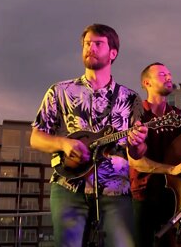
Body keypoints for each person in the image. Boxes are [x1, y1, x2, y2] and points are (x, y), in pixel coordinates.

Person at [30, 24, 148, 247]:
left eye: (98, 44)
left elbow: (137, 152)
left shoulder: (131, 98)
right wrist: (64, 144)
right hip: (68, 187)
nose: (90, 48)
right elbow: (36, 137)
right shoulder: (60, 91)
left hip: (115, 190)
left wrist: (139, 143)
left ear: (113, 53)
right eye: (87, 44)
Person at [127, 62, 181, 246]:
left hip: (175, 197)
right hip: (144, 196)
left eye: (169, 73)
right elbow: (135, 161)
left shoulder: (178, 116)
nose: (168, 77)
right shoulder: (135, 116)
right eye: (161, 74)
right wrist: (172, 169)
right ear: (146, 83)